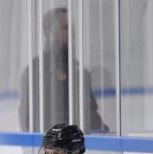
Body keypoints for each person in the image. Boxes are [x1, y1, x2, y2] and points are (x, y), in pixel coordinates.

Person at [19, 7, 108, 135]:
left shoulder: (79, 71)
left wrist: (103, 132)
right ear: (49, 32)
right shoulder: (36, 71)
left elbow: (91, 116)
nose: (71, 32)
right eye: (65, 27)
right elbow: (28, 121)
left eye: (71, 27)